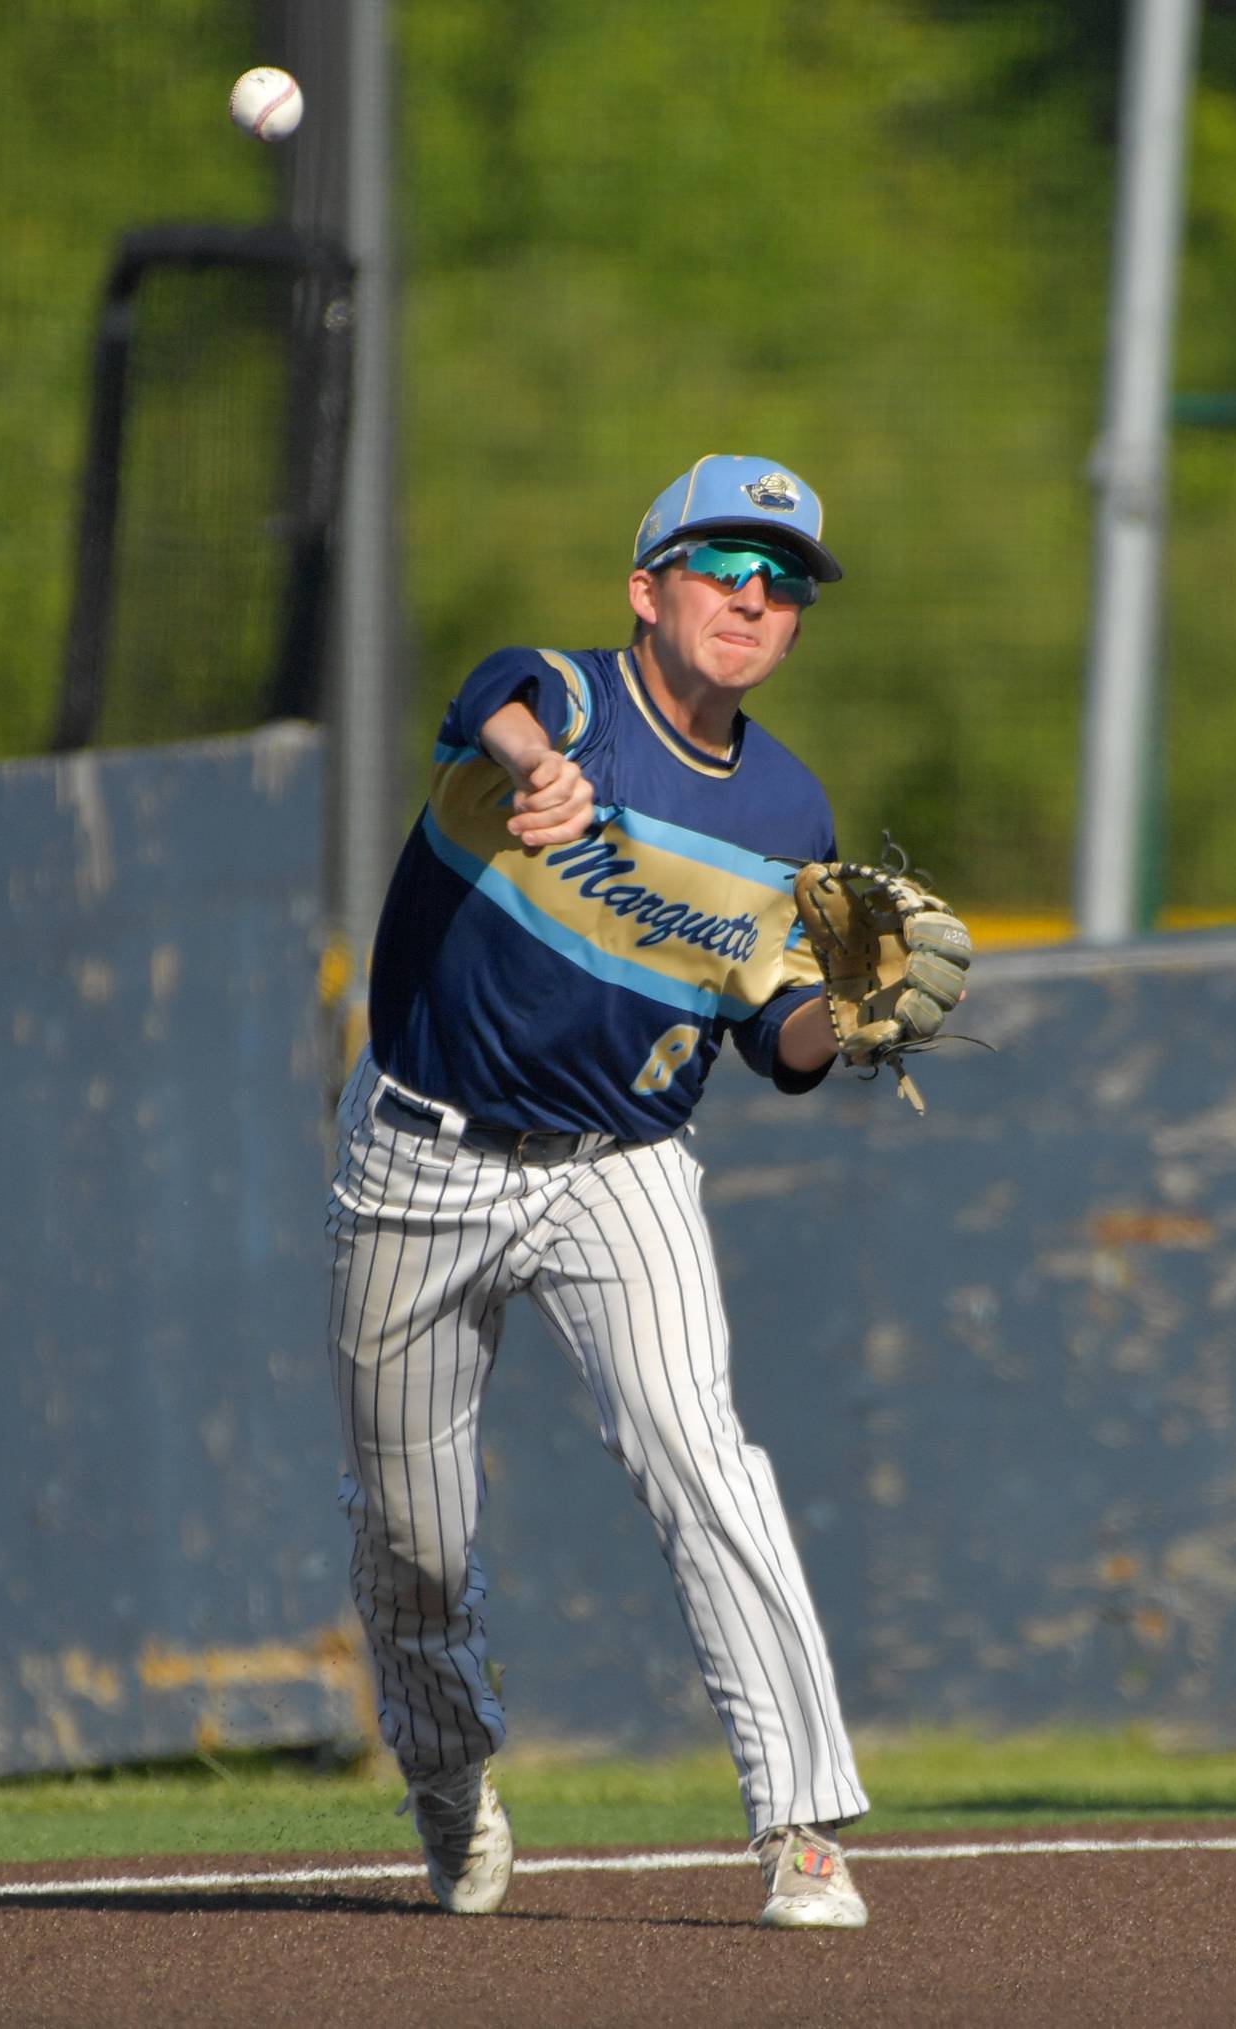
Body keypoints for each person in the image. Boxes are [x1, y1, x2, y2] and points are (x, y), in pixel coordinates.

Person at [325, 454, 877, 1929]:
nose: (755, 598)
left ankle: (804, 1826)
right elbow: (481, 689)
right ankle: (450, 1777)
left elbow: (785, 1039)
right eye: (726, 566)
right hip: (421, 1151)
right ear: (650, 589)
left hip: (618, 1169)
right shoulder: (566, 705)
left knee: (705, 1457)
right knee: (415, 1538)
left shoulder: (787, 807)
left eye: (785, 584)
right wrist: (525, 758)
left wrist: (863, 1014)